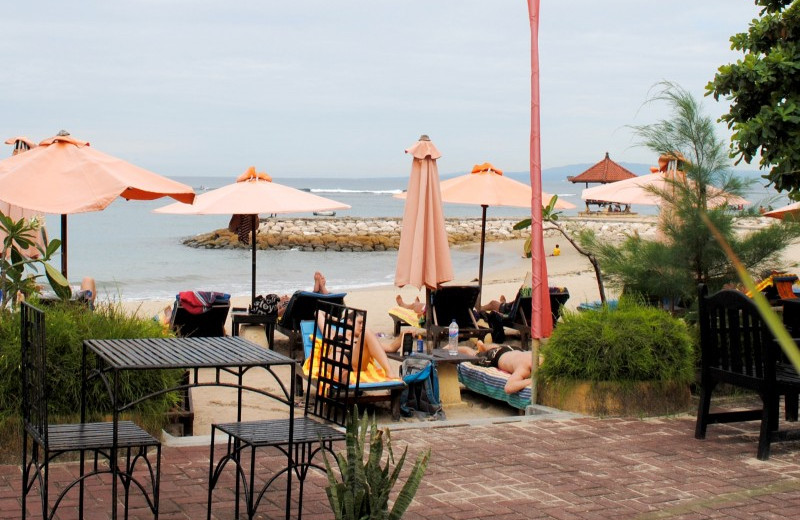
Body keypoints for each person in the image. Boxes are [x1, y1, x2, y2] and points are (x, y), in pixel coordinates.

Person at [315, 310, 400, 379]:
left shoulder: (363, 340)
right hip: (339, 359)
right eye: (360, 323)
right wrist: (338, 320)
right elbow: (318, 313)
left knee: (367, 332)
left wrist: (403, 336)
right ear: (349, 322)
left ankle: (389, 372)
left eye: (364, 323)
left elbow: (391, 348)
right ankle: (344, 377)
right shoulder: (333, 334)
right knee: (337, 356)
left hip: (356, 363)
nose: (362, 326)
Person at [458, 339, 532, 394]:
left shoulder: (537, 355)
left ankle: (483, 347)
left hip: (512, 349)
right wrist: (530, 381)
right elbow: (508, 388)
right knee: (473, 355)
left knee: (497, 347)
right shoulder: (524, 368)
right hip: (495, 356)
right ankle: (453, 347)